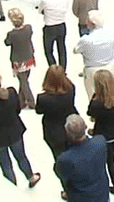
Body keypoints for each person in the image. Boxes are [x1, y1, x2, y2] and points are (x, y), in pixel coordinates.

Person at [0, 69, 41, 187]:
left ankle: (13, 188)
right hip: (14, 132)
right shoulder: (11, 92)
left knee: (6, 165)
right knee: (21, 157)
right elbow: (17, 110)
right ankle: (31, 177)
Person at [35, 65, 78, 199]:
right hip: (71, 127)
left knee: (61, 162)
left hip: (54, 133)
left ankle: (68, 191)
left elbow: (39, 111)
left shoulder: (43, 98)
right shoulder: (71, 89)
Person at [56, 114, 110, 202]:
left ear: (68, 134)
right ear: (85, 127)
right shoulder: (100, 141)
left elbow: (61, 174)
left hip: (82, 198)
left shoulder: (65, 159)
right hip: (102, 193)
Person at [73, 10, 114, 99]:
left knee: (93, 96)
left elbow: (76, 50)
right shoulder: (111, 34)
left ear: (92, 23)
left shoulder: (86, 40)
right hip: (109, 67)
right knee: (110, 94)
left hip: (92, 70)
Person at [4, 8, 35, 109]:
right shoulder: (29, 28)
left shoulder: (11, 34)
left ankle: (31, 101)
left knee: (23, 81)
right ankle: (21, 102)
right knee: (24, 79)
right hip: (29, 57)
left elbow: (7, 42)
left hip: (18, 60)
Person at [39, 0, 70, 69]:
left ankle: (53, 68)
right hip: (61, 25)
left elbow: (40, 11)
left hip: (49, 27)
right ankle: (63, 68)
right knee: (62, 48)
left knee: (48, 50)